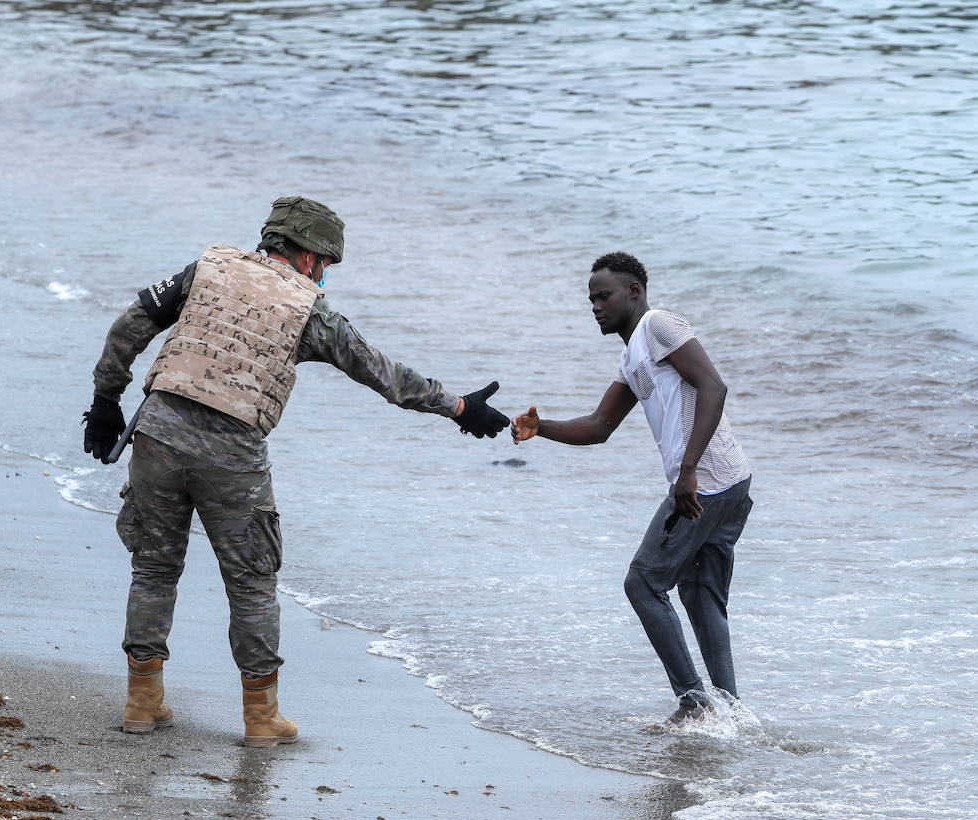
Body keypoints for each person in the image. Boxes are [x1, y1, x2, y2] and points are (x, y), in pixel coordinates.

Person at [82, 196, 509, 747]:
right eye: (326, 263)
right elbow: (380, 372)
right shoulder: (311, 310)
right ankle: (261, 718)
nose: (325, 273)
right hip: (232, 455)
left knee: (154, 569)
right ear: (309, 257)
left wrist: (105, 400)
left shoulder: (205, 271)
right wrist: (457, 407)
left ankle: (142, 702)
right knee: (253, 581)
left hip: (158, 436)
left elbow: (130, 325)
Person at [511, 251, 753, 729]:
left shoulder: (659, 324)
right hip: (730, 481)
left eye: (604, 296)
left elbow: (713, 387)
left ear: (635, 292)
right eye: (591, 299)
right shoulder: (632, 354)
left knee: (643, 583)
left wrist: (688, 470)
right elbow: (600, 426)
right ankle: (733, 713)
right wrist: (542, 428)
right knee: (700, 593)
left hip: (706, 481)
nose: (595, 306)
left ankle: (694, 705)